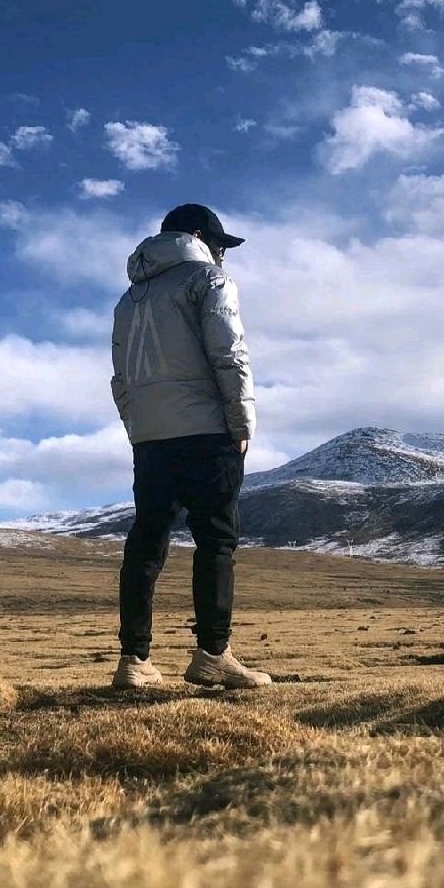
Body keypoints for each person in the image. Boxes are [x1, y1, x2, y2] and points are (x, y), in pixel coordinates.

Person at [109, 203, 271, 690]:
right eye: (220, 244)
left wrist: (138, 428)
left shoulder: (130, 299)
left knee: (146, 542)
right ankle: (213, 654)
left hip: (151, 438)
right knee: (216, 540)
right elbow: (230, 354)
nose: (223, 253)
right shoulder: (209, 280)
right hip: (207, 431)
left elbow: (121, 378)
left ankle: (133, 660)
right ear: (199, 236)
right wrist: (241, 423)